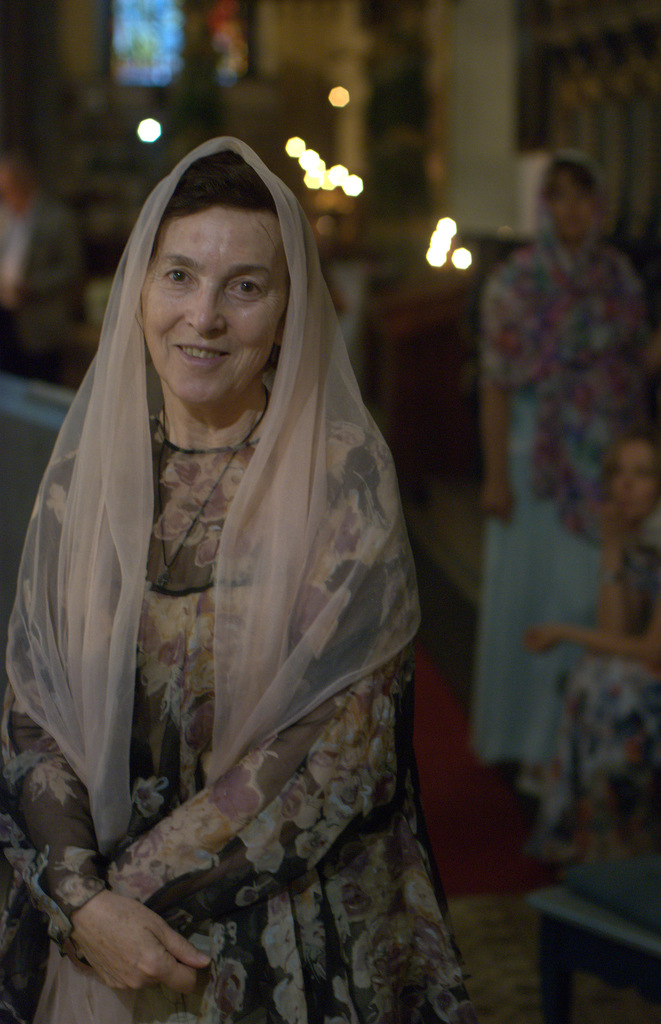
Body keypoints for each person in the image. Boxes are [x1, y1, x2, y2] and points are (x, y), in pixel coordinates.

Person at [0, 139, 477, 1023]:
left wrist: (116, 906)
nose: (204, 317)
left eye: (245, 287)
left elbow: (339, 753)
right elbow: (32, 708)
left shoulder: (339, 479)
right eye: (180, 276)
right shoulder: (89, 478)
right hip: (90, 920)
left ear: (291, 311)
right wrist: (77, 897)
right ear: (139, 289)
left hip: (279, 931)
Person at [471, 150, 653, 785]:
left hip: (600, 460)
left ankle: (571, 744)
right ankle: (526, 743)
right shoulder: (517, 282)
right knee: (531, 599)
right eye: (560, 196)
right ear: (544, 206)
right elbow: (496, 383)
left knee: (583, 597)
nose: (572, 209)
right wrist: (496, 474)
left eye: (583, 195)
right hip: (535, 460)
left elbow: (635, 367)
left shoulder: (618, 279)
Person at [525, 423, 661, 862]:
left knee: (611, 686)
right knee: (594, 674)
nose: (625, 485)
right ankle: (599, 840)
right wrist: (613, 549)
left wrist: (564, 632)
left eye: (643, 473)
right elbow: (616, 634)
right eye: (618, 472)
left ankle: (617, 842)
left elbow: (653, 650)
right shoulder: (646, 536)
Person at [0, 151, 82, 383]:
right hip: (6, 317)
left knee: (40, 381)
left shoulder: (57, 217)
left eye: (8, 187)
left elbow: (72, 268)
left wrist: (33, 287)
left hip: (40, 320)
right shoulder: (5, 216)